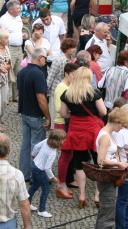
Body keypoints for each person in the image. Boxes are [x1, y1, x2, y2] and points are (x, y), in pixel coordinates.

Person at [60, 67, 107, 208]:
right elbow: (103, 111)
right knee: (98, 162)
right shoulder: (94, 93)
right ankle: (97, 195)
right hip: (92, 130)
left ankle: (82, 195)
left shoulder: (67, 93)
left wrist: (74, 116)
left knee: (79, 164)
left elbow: (63, 114)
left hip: (76, 129)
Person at [17, 47, 52, 182]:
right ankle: (34, 176)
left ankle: (24, 173)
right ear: (40, 58)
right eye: (45, 58)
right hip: (36, 115)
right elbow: (41, 98)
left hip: (24, 112)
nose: (46, 61)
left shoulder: (22, 72)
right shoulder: (38, 74)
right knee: (36, 146)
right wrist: (48, 117)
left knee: (25, 145)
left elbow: (20, 93)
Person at [95, 107, 128, 229]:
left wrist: (122, 163)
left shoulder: (110, 134)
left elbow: (112, 155)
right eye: (122, 125)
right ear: (115, 122)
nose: (122, 128)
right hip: (106, 177)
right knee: (108, 211)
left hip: (111, 175)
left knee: (107, 210)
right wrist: (118, 164)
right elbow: (100, 160)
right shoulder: (105, 136)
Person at [28, 129, 67, 218]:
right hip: (39, 170)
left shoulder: (46, 141)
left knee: (34, 186)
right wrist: (53, 178)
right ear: (58, 141)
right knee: (46, 189)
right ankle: (42, 210)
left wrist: (33, 155)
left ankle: (27, 203)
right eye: (63, 140)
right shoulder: (52, 152)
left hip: (34, 165)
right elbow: (47, 168)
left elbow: (36, 147)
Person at [54, 63, 80, 192]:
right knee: (66, 155)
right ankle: (62, 183)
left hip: (63, 123)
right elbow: (59, 108)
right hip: (61, 124)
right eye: (73, 75)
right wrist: (74, 113)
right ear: (66, 74)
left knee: (68, 155)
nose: (75, 77)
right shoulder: (63, 88)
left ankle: (63, 182)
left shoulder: (66, 87)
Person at [0, 0, 28, 102]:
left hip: (19, 48)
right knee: (8, 72)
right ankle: (5, 97)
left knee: (18, 72)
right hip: (9, 48)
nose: (20, 9)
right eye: (18, 8)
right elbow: (0, 34)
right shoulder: (3, 20)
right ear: (11, 9)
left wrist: (23, 35)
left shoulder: (18, 17)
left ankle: (15, 96)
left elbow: (19, 30)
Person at [47, 38, 78, 125]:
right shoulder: (59, 60)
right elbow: (51, 76)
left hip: (66, 91)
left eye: (75, 47)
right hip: (55, 92)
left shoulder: (71, 58)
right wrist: (47, 92)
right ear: (66, 48)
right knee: (55, 117)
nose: (74, 49)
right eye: (72, 47)